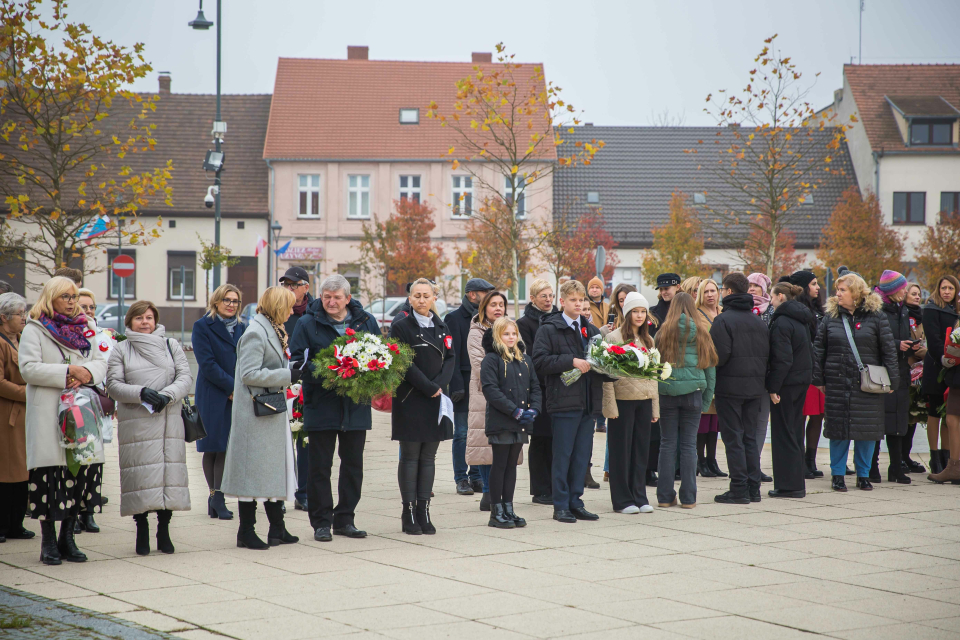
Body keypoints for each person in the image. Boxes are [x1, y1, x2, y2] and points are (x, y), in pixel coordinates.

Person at [20, 277, 107, 565]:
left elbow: (101, 362)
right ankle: (48, 543)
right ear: (51, 297)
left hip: (81, 410)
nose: (71, 301)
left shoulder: (88, 326)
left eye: (74, 296)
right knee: (51, 478)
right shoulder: (36, 328)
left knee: (79, 474)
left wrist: (84, 373)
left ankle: (67, 539)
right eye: (65, 296)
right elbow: (29, 368)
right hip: (48, 411)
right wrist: (67, 370)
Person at [290, 275, 379, 542]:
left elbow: (379, 354)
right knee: (319, 467)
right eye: (326, 296)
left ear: (347, 299)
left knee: (353, 466)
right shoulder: (307, 322)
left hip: (356, 406)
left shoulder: (365, 321)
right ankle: (321, 522)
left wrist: (366, 372)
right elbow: (296, 363)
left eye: (337, 297)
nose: (331, 302)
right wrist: (333, 371)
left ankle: (345, 519)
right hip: (321, 405)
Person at [105, 301, 192, 555]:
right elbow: (113, 385)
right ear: (130, 321)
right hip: (137, 422)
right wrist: (141, 392)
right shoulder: (121, 349)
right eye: (140, 318)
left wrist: (167, 395)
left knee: (167, 476)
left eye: (150, 318)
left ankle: (163, 530)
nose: (145, 322)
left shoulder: (170, 345)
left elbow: (185, 377)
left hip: (168, 419)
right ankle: (141, 527)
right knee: (141, 477)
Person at [221, 286, 301, 550]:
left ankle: (277, 528)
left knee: (270, 471)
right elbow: (249, 374)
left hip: (268, 411)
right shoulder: (256, 332)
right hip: (254, 414)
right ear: (278, 307)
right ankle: (246, 531)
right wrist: (288, 375)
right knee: (252, 475)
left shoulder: (272, 329)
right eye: (289, 306)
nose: (292, 311)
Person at [813, 271, 899, 492]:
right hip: (837, 381)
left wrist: (892, 380)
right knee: (838, 430)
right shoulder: (830, 317)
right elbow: (819, 349)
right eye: (838, 290)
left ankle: (863, 475)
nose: (838, 294)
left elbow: (888, 350)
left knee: (867, 431)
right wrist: (819, 378)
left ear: (856, 293)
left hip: (867, 383)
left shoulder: (877, 317)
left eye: (843, 290)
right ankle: (838, 474)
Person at [532, 280, 603, 524]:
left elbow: (599, 364)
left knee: (581, 457)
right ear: (562, 302)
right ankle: (560, 505)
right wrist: (570, 361)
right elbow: (539, 362)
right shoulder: (549, 328)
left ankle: (576, 502)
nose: (579, 304)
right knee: (562, 456)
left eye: (581, 300)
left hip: (588, 403)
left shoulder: (591, 330)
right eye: (573, 300)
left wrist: (616, 367)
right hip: (564, 402)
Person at [390, 279, 455, 535]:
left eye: (426, 295)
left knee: (428, 457)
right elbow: (402, 362)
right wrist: (428, 387)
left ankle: (423, 510)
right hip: (411, 399)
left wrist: (439, 386)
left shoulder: (442, 326)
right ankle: (408, 511)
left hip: (436, 400)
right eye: (416, 295)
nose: (421, 300)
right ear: (409, 298)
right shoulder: (400, 326)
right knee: (410, 457)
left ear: (434, 298)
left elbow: (450, 358)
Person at [711, 273, 770, 504]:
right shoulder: (757, 320)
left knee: (733, 439)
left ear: (728, 292)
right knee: (749, 438)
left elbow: (719, 355)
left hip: (729, 387)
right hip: (755, 388)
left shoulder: (723, 320)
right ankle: (753, 487)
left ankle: (738, 488)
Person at [655, 292, 716, 509]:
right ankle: (689, 498)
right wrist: (706, 399)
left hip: (667, 394)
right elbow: (710, 370)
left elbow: (655, 366)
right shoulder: (702, 331)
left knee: (667, 444)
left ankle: (664, 496)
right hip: (693, 394)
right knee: (689, 446)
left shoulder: (662, 333)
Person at [481, 317, 541, 528]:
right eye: (506, 334)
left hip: (521, 422)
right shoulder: (491, 359)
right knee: (500, 464)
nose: (511, 337)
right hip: (501, 420)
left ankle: (508, 507)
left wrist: (533, 409)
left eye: (513, 334)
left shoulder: (525, 359)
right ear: (498, 336)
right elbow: (491, 390)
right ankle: (496, 511)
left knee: (512, 466)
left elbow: (535, 386)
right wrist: (514, 411)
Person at [602, 292, 659, 514]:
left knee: (640, 451)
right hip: (622, 402)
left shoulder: (649, 340)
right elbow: (606, 376)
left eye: (642, 311)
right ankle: (622, 499)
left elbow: (654, 375)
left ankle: (639, 496)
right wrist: (610, 407)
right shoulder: (613, 338)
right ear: (626, 314)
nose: (639, 315)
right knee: (620, 453)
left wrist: (655, 407)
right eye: (635, 311)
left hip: (644, 402)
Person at [191, 284, 245, 521]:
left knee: (227, 447)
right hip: (213, 393)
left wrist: (239, 388)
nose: (231, 304)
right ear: (216, 301)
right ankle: (216, 496)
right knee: (213, 446)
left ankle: (217, 497)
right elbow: (207, 363)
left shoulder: (243, 327)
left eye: (235, 301)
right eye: (227, 300)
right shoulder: (203, 326)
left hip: (237, 394)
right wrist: (231, 387)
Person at [445, 277, 495, 496]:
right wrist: (456, 386)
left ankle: (476, 476)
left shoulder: (487, 319)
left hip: (483, 385)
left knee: (479, 434)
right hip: (463, 385)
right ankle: (461, 478)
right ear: (472, 294)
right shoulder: (454, 318)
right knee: (463, 433)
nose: (490, 297)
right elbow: (451, 356)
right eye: (486, 293)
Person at [765, 282, 814, 498]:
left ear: (781, 297)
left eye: (772, 297)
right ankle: (796, 483)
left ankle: (788, 485)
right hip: (801, 380)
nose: (771, 300)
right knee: (795, 431)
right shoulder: (801, 319)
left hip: (786, 383)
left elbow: (782, 359)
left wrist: (773, 387)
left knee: (784, 433)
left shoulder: (782, 322)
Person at [870, 271, 917, 485]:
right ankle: (871, 467)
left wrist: (909, 345)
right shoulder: (876, 309)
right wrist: (897, 343)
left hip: (900, 371)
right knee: (878, 421)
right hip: (881, 373)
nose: (906, 292)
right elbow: (871, 341)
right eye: (902, 288)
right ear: (891, 291)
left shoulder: (902, 309)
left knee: (899, 419)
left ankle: (896, 468)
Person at [74, 288, 114, 533]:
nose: (88, 311)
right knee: (76, 458)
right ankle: (73, 511)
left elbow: (111, 368)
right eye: (83, 306)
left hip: (99, 402)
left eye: (92, 307)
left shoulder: (102, 336)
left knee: (95, 460)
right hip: (75, 403)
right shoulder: (65, 334)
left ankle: (89, 511)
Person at [466, 290, 510, 511]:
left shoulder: (509, 330)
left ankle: (501, 492)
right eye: (493, 304)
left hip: (509, 395)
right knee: (486, 445)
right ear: (484, 308)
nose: (498, 308)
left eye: (501, 304)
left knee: (503, 445)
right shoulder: (475, 333)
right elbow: (479, 364)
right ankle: (487, 492)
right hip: (485, 394)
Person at [517, 279, 556, 504]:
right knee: (541, 439)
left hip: (557, 386)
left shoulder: (558, 320)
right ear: (532, 298)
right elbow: (529, 356)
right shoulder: (524, 324)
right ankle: (541, 489)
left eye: (550, 295)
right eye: (543, 296)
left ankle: (553, 485)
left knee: (554, 439)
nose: (548, 300)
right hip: (538, 387)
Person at [280, 267, 313, 513]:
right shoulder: (277, 312)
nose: (289, 289)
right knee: (281, 441)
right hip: (281, 381)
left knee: (304, 440)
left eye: (294, 284)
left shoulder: (316, 312)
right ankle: (279, 494)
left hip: (305, 384)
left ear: (306, 287)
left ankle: (303, 492)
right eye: (286, 285)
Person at [0, 293, 33, 544]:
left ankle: (16, 524)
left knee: (23, 471)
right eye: (20, 313)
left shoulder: (23, 339)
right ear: (3, 317)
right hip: (7, 415)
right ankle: (3, 525)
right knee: (7, 471)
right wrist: (28, 394)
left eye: (25, 312)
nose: (25, 317)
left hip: (25, 416)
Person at [791, 270, 830, 478]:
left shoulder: (821, 311)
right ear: (803, 287)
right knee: (803, 416)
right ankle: (798, 460)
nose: (817, 288)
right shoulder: (797, 310)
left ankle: (810, 460)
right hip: (804, 370)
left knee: (818, 416)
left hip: (820, 370)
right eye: (813, 284)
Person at [921, 275, 960, 475]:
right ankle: (934, 455)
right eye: (943, 288)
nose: (946, 291)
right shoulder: (930, 309)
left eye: (950, 289)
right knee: (935, 413)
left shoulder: (956, 311)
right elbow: (933, 339)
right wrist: (943, 358)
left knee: (949, 414)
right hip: (936, 365)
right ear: (938, 289)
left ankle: (948, 456)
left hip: (953, 368)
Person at [600, 283, 637, 480]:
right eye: (621, 300)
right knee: (613, 423)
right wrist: (606, 330)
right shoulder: (612, 324)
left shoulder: (639, 321)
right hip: (616, 381)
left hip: (635, 383)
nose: (624, 304)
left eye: (627, 299)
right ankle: (609, 467)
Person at [694, 278, 725, 478]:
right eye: (706, 292)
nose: (710, 295)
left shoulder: (723, 312)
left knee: (715, 421)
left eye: (713, 291)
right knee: (703, 418)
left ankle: (712, 460)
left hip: (722, 370)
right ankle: (700, 461)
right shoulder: (696, 314)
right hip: (705, 368)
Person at [903, 283, 928, 474]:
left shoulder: (921, 317)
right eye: (913, 294)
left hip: (918, 371)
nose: (917, 297)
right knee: (903, 416)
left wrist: (924, 350)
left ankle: (906, 456)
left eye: (918, 294)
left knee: (913, 417)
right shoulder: (901, 314)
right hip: (904, 368)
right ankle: (900, 458)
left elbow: (924, 338)